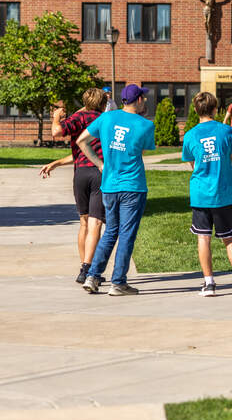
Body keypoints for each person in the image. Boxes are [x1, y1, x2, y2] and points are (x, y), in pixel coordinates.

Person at [76, 84, 155, 295]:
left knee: (110, 231)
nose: (144, 102)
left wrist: (99, 163)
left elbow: (81, 141)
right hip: (133, 186)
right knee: (126, 234)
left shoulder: (106, 118)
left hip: (110, 185)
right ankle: (118, 282)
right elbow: (142, 150)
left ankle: (92, 277)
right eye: (143, 99)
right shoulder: (145, 125)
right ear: (138, 100)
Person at [182, 91, 232, 297]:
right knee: (229, 238)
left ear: (195, 110)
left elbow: (191, 163)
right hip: (223, 193)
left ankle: (209, 284)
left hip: (201, 193)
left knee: (203, 238)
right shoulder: (227, 131)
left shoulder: (190, 135)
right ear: (215, 109)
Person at [41, 87, 107, 284]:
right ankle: (90, 268)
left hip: (81, 174)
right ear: (103, 103)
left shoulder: (78, 119)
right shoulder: (106, 120)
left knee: (84, 222)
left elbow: (57, 132)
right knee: (96, 223)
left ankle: (83, 269)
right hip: (99, 172)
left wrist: (55, 117)